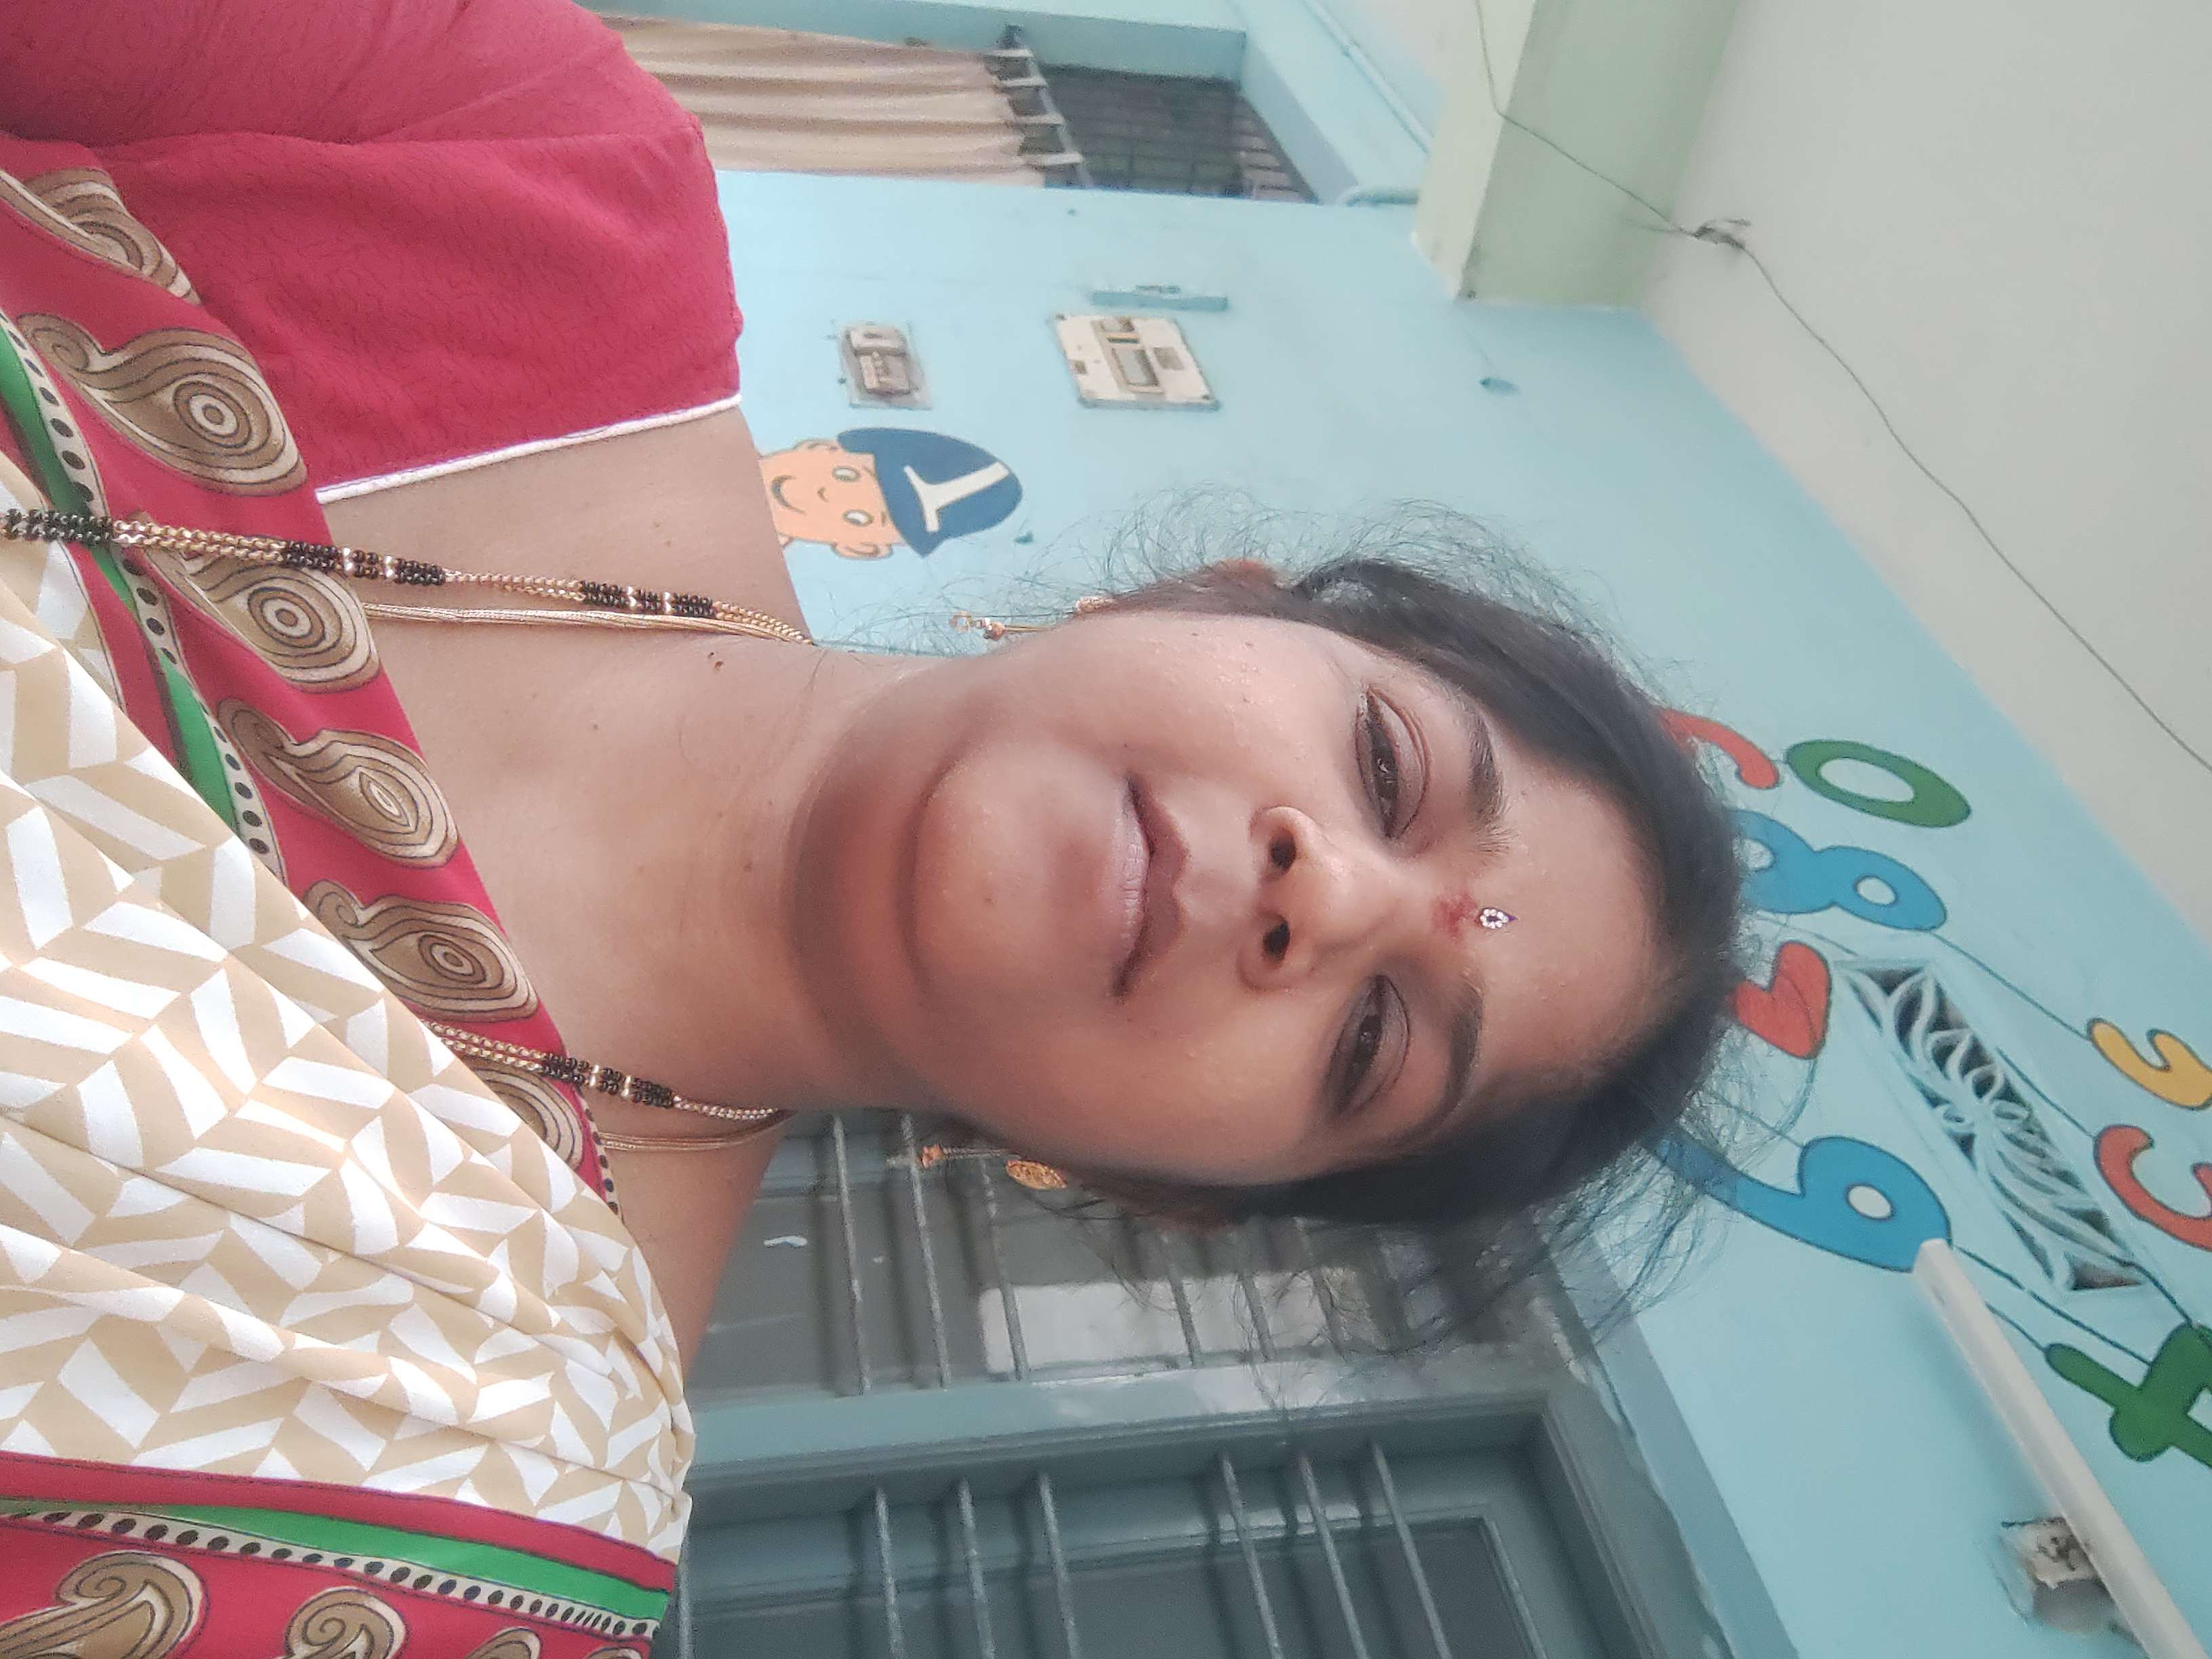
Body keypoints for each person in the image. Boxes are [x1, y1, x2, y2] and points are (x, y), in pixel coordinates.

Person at [0, 0, 1742, 1650]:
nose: (1333, 895)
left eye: (1372, 1041)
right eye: (1386, 766)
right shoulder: (524, 174)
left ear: (1173, 1192)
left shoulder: (472, 1480)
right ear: (1209, 595)